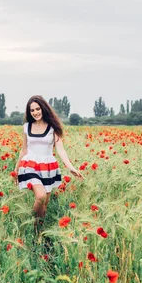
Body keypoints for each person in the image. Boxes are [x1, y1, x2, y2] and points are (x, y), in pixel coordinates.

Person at [13, 95, 84, 238]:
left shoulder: (53, 128)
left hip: (48, 167)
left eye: (37, 109)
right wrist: (16, 170)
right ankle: (31, 225)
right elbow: (24, 149)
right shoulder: (27, 127)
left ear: (43, 108)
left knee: (44, 204)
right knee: (40, 196)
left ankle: (38, 234)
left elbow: (61, 149)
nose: (35, 112)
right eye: (32, 110)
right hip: (29, 165)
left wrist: (70, 167)